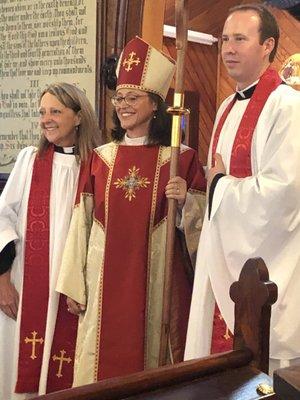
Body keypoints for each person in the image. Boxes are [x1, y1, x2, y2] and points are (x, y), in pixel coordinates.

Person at [56, 36, 206, 386]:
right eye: (118, 97)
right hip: (102, 287)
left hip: (159, 287)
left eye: (132, 98)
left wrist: (187, 202)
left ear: (155, 104)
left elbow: (204, 230)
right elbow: (82, 223)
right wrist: (73, 284)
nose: (122, 105)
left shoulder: (180, 158)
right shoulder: (101, 158)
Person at [185, 3, 300, 373]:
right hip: (221, 256)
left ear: (267, 45)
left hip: (270, 265)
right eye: (224, 40)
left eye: (240, 39)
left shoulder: (289, 107)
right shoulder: (225, 108)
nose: (228, 49)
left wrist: (221, 183)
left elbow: (285, 193)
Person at [0, 82, 100, 399]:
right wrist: (2, 280)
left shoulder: (96, 165)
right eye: (42, 112)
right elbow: (2, 217)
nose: (46, 119)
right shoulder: (31, 161)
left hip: (73, 290)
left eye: (55, 111)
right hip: (25, 288)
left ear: (79, 117)